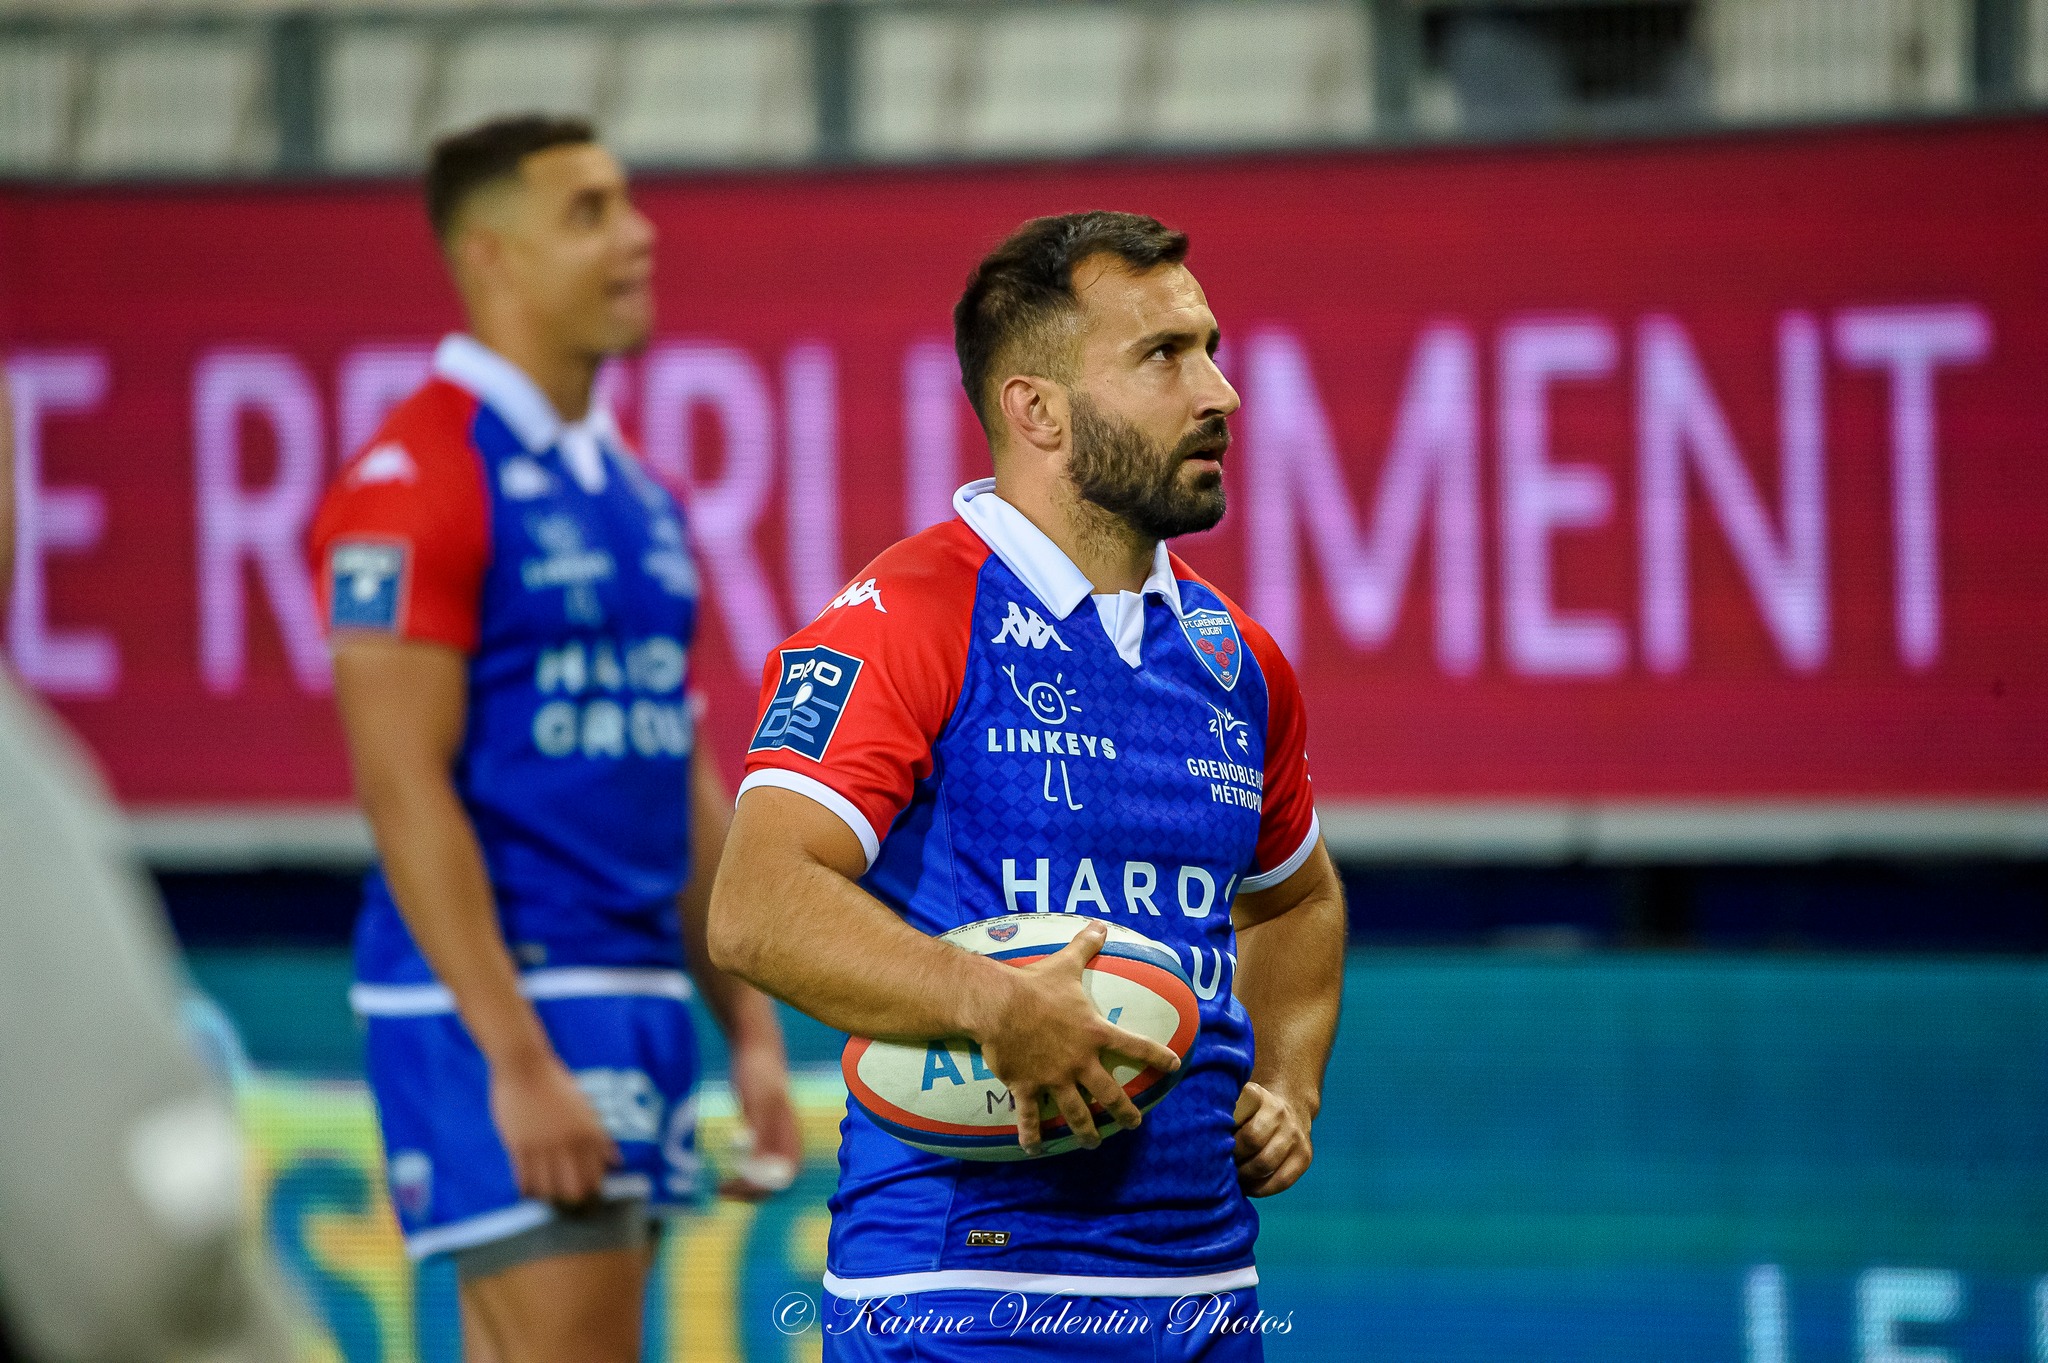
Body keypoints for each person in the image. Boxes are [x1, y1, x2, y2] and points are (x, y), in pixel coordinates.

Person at [708, 211, 1347, 1359]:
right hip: (961, 1292)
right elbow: (754, 907)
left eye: (1208, 345)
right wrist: (993, 1005)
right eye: (1163, 356)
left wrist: (1289, 1087)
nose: (1220, 391)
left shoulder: (1236, 657)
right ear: (1035, 409)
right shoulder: (907, 617)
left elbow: (1295, 898)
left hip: (1207, 1293)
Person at [307, 115, 799, 1363]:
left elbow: (671, 767)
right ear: (492, 258)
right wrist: (514, 1056)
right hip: (512, 1004)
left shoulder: (634, 489)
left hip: (630, 995)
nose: (637, 236)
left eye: (628, 202)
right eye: (587, 211)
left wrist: (744, 1027)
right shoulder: (415, 477)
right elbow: (399, 789)